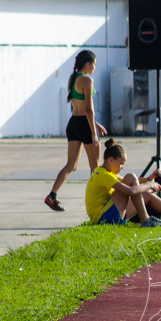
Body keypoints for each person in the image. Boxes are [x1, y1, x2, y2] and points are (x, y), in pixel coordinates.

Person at [86, 139, 161, 228]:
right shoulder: (103, 175)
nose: (122, 167)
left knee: (145, 194)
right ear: (111, 160)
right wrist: (150, 185)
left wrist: (149, 179)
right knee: (132, 179)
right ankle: (146, 221)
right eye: (121, 164)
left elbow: (128, 183)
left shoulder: (104, 171)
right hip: (103, 219)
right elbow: (130, 190)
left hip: (108, 215)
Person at [46, 50, 109, 212]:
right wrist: (94, 132)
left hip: (73, 123)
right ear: (87, 64)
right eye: (94, 64)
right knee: (95, 168)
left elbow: (79, 107)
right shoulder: (87, 81)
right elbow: (89, 109)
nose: (95, 67)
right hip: (85, 125)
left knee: (71, 165)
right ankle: (97, 203)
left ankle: (52, 195)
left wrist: (96, 124)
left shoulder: (72, 79)